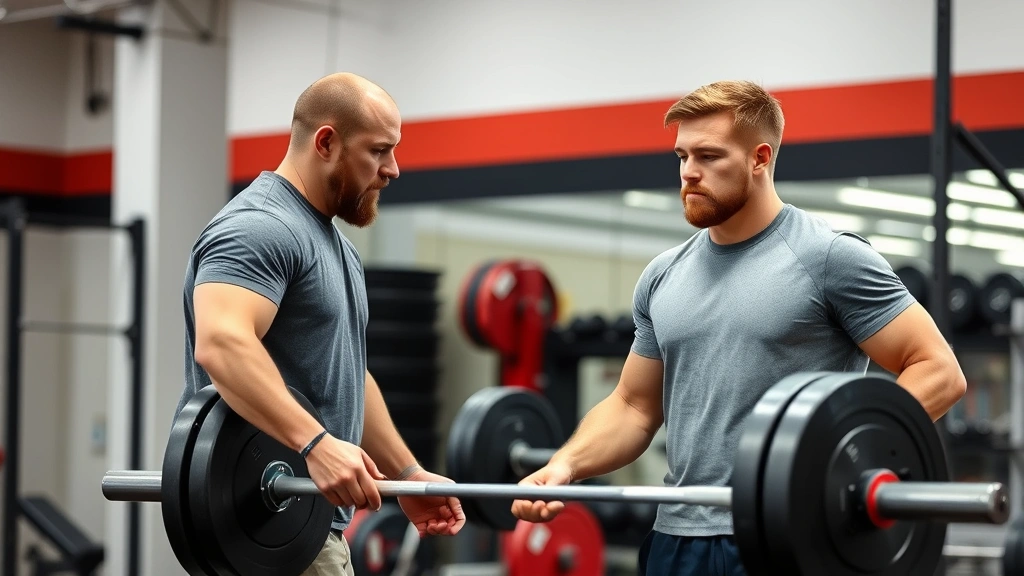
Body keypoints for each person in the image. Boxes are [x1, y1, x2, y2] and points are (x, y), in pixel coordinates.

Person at [510, 80, 967, 576]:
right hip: (677, 538)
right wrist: (566, 464)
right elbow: (634, 406)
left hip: (787, 533)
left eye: (708, 156)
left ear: (760, 158)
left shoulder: (830, 257)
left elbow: (939, 371)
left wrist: (833, 465)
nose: (689, 173)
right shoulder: (663, 274)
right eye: (682, 156)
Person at [175, 72, 465, 575]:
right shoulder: (260, 227)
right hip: (265, 521)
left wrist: (406, 475)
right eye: (379, 151)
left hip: (307, 525)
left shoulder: (337, 247)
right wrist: (316, 444)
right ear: (326, 142)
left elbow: (347, 376)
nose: (393, 169)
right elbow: (221, 343)